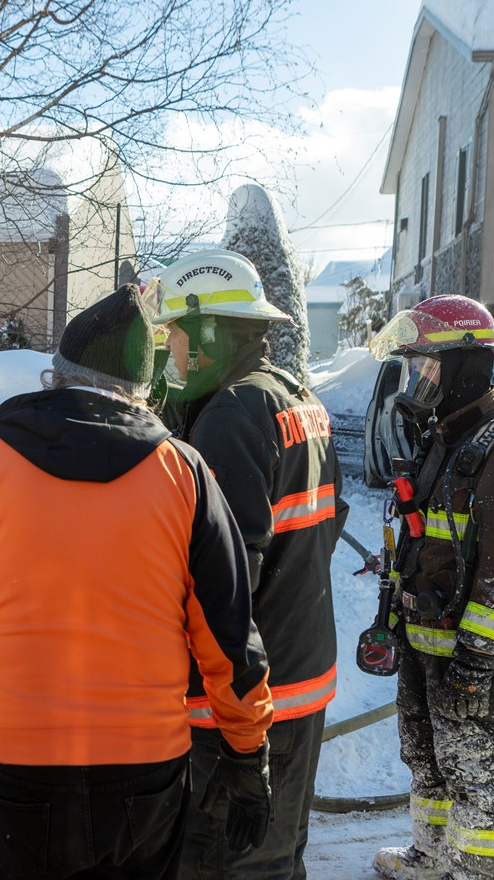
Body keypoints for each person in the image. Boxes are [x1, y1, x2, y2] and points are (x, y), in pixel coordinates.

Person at [0, 285, 275, 880]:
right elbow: (228, 636)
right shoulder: (182, 472)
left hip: (16, 770)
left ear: (59, 375)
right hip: (144, 774)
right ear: (142, 390)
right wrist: (247, 752)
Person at [149, 250, 348, 880]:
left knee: (221, 863)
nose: (171, 351)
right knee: (276, 856)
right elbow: (331, 522)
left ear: (209, 333)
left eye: (177, 335)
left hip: (246, 702)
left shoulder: (231, 415)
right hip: (300, 676)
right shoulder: (297, 399)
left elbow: (224, 584)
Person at [367, 295, 494, 880]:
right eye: (414, 369)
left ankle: (478, 874)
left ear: (465, 368)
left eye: (427, 368)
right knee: (430, 761)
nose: (417, 383)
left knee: (483, 776)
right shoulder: (443, 439)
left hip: (475, 660)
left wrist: (475, 661)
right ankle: (431, 857)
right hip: (425, 643)